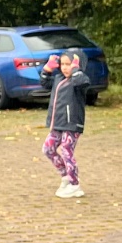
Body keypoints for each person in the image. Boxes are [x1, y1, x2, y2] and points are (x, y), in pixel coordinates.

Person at [40, 48, 91, 198]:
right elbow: (44, 83)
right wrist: (47, 69)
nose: (65, 68)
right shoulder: (58, 79)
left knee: (66, 151)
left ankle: (75, 185)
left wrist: (75, 70)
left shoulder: (80, 80)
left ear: (77, 64)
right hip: (58, 123)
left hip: (72, 123)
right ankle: (66, 177)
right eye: (62, 64)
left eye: (68, 64)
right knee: (48, 149)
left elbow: (80, 81)